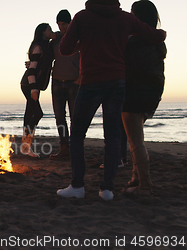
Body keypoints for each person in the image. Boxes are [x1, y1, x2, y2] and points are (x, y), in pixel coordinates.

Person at [56, 0, 166, 201]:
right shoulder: (125, 18)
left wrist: (82, 45)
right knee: (113, 136)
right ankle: (107, 189)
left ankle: (78, 186)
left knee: (78, 134)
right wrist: (161, 34)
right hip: (116, 82)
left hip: (91, 81)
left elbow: (64, 49)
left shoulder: (82, 17)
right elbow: (157, 35)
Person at [122, 0, 166, 195]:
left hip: (134, 93)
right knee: (135, 137)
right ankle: (136, 177)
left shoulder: (133, 42)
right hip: (152, 93)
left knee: (135, 140)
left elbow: (128, 68)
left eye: (132, 13)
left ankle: (145, 184)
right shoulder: (156, 41)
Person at [48, 10, 80, 161]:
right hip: (57, 81)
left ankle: (75, 148)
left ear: (70, 23)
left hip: (74, 82)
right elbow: (45, 58)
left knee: (76, 117)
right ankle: (64, 148)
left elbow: (86, 58)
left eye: (64, 24)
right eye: (59, 24)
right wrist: (33, 65)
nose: (61, 27)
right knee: (59, 117)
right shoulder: (54, 40)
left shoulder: (78, 38)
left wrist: (81, 76)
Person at [20, 23, 54, 158]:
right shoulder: (39, 47)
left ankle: (26, 147)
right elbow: (32, 70)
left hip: (33, 84)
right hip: (29, 84)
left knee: (29, 114)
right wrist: (34, 88)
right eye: (49, 30)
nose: (51, 32)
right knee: (38, 113)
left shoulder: (46, 45)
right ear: (42, 33)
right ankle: (26, 145)